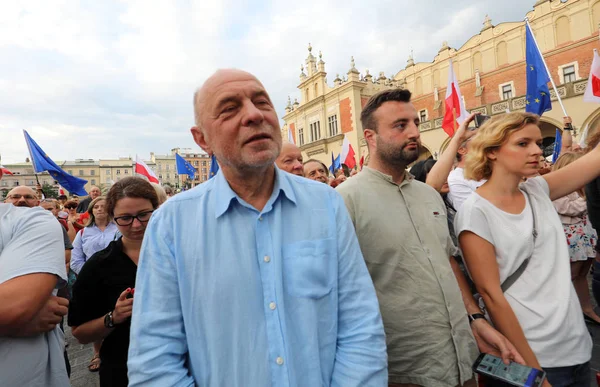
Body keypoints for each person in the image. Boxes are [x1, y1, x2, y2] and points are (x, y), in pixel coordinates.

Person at [128, 69, 387, 387]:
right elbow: (155, 360)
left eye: (262, 102)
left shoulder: (326, 204)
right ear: (202, 139)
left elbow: (360, 325)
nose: (253, 114)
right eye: (230, 108)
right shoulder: (171, 225)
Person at [337, 89, 522, 387]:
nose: (413, 132)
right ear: (370, 137)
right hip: (404, 366)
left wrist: (474, 318)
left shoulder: (429, 195)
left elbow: (446, 259)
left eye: (415, 123)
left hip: (462, 355)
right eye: (400, 125)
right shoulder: (344, 200)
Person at [455, 112, 595, 386]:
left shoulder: (537, 189)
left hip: (577, 346)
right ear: (492, 152)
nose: (536, 150)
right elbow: (491, 296)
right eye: (523, 143)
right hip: (534, 356)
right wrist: (534, 374)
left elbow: (594, 160)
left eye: (536, 143)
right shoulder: (475, 212)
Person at [69, 177, 159, 387]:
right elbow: (80, 333)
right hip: (124, 370)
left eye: (144, 215)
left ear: (157, 209)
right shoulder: (99, 265)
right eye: (125, 218)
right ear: (112, 217)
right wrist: (114, 317)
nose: (136, 225)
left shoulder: (183, 255)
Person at [0, 169, 70, 386]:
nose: (21, 200)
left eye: (29, 196)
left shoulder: (37, 222)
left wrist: (20, 308)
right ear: (6, 198)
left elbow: (14, 306)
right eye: (15, 196)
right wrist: (12, 324)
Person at [70, 195, 119, 372]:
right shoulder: (83, 232)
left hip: (116, 279)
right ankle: (97, 352)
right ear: (91, 210)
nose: (99, 209)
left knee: (118, 314)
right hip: (93, 282)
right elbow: (76, 259)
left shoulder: (118, 229)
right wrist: (90, 277)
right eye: (96, 206)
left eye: (103, 206)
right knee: (97, 316)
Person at [551, 152, 600, 325]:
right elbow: (569, 208)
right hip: (570, 239)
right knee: (570, 275)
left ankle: (586, 309)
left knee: (582, 275)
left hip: (584, 237)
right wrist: (588, 198)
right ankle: (566, 314)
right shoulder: (558, 189)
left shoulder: (580, 189)